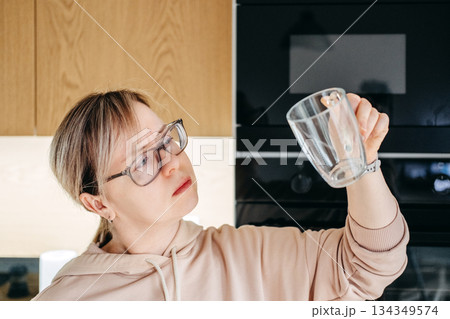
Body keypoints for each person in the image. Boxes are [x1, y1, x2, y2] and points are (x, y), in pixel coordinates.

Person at [32, 88, 409, 301]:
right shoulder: (68, 302)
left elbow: (371, 265)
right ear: (97, 203)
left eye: (167, 139)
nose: (172, 163)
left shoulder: (248, 256)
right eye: (142, 160)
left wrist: (363, 163)